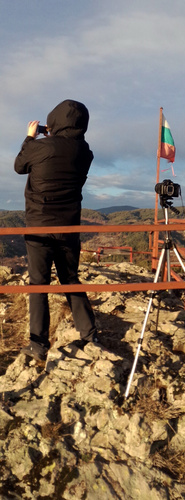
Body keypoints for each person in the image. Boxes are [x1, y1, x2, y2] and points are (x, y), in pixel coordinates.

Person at [14, 99, 97, 350]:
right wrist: (54, 134)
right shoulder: (85, 152)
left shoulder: (40, 146)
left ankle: (38, 345)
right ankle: (89, 335)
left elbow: (19, 167)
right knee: (70, 279)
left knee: (38, 285)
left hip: (39, 226)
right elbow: (67, 145)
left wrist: (31, 138)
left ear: (55, 121)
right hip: (69, 226)